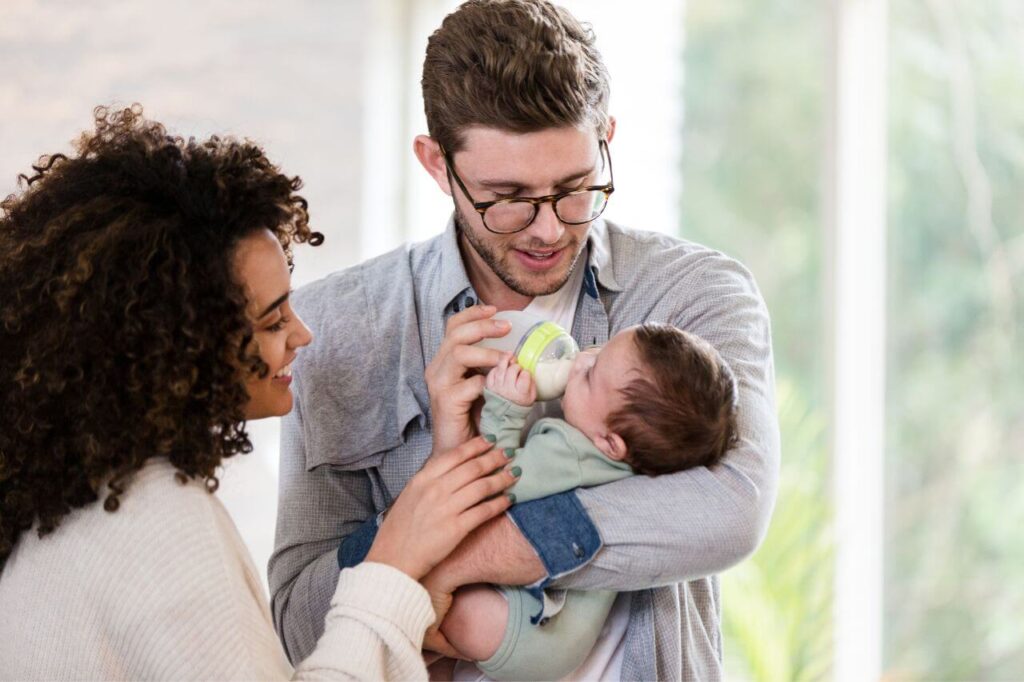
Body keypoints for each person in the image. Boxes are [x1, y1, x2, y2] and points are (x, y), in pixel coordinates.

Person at [269, 1, 780, 679]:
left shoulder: (692, 297)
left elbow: (729, 510)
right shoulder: (338, 331)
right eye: (507, 196)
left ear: (606, 138)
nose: (547, 230)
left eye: (573, 188)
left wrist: (443, 559)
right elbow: (301, 627)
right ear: (437, 165)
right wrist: (440, 473)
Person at [0, 105, 517, 681]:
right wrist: (394, 560)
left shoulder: (73, 502)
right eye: (273, 323)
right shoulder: (158, 521)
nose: (303, 334)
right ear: (182, 345)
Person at [442, 323, 739, 680]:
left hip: (528, 635)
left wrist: (503, 410)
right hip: (559, 641)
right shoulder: (641, 465)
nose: (580, 358)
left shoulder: (570, 453)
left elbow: (494, 485)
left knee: (432, 604)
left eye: (590, 374)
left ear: (610, 443)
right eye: (598, 353)